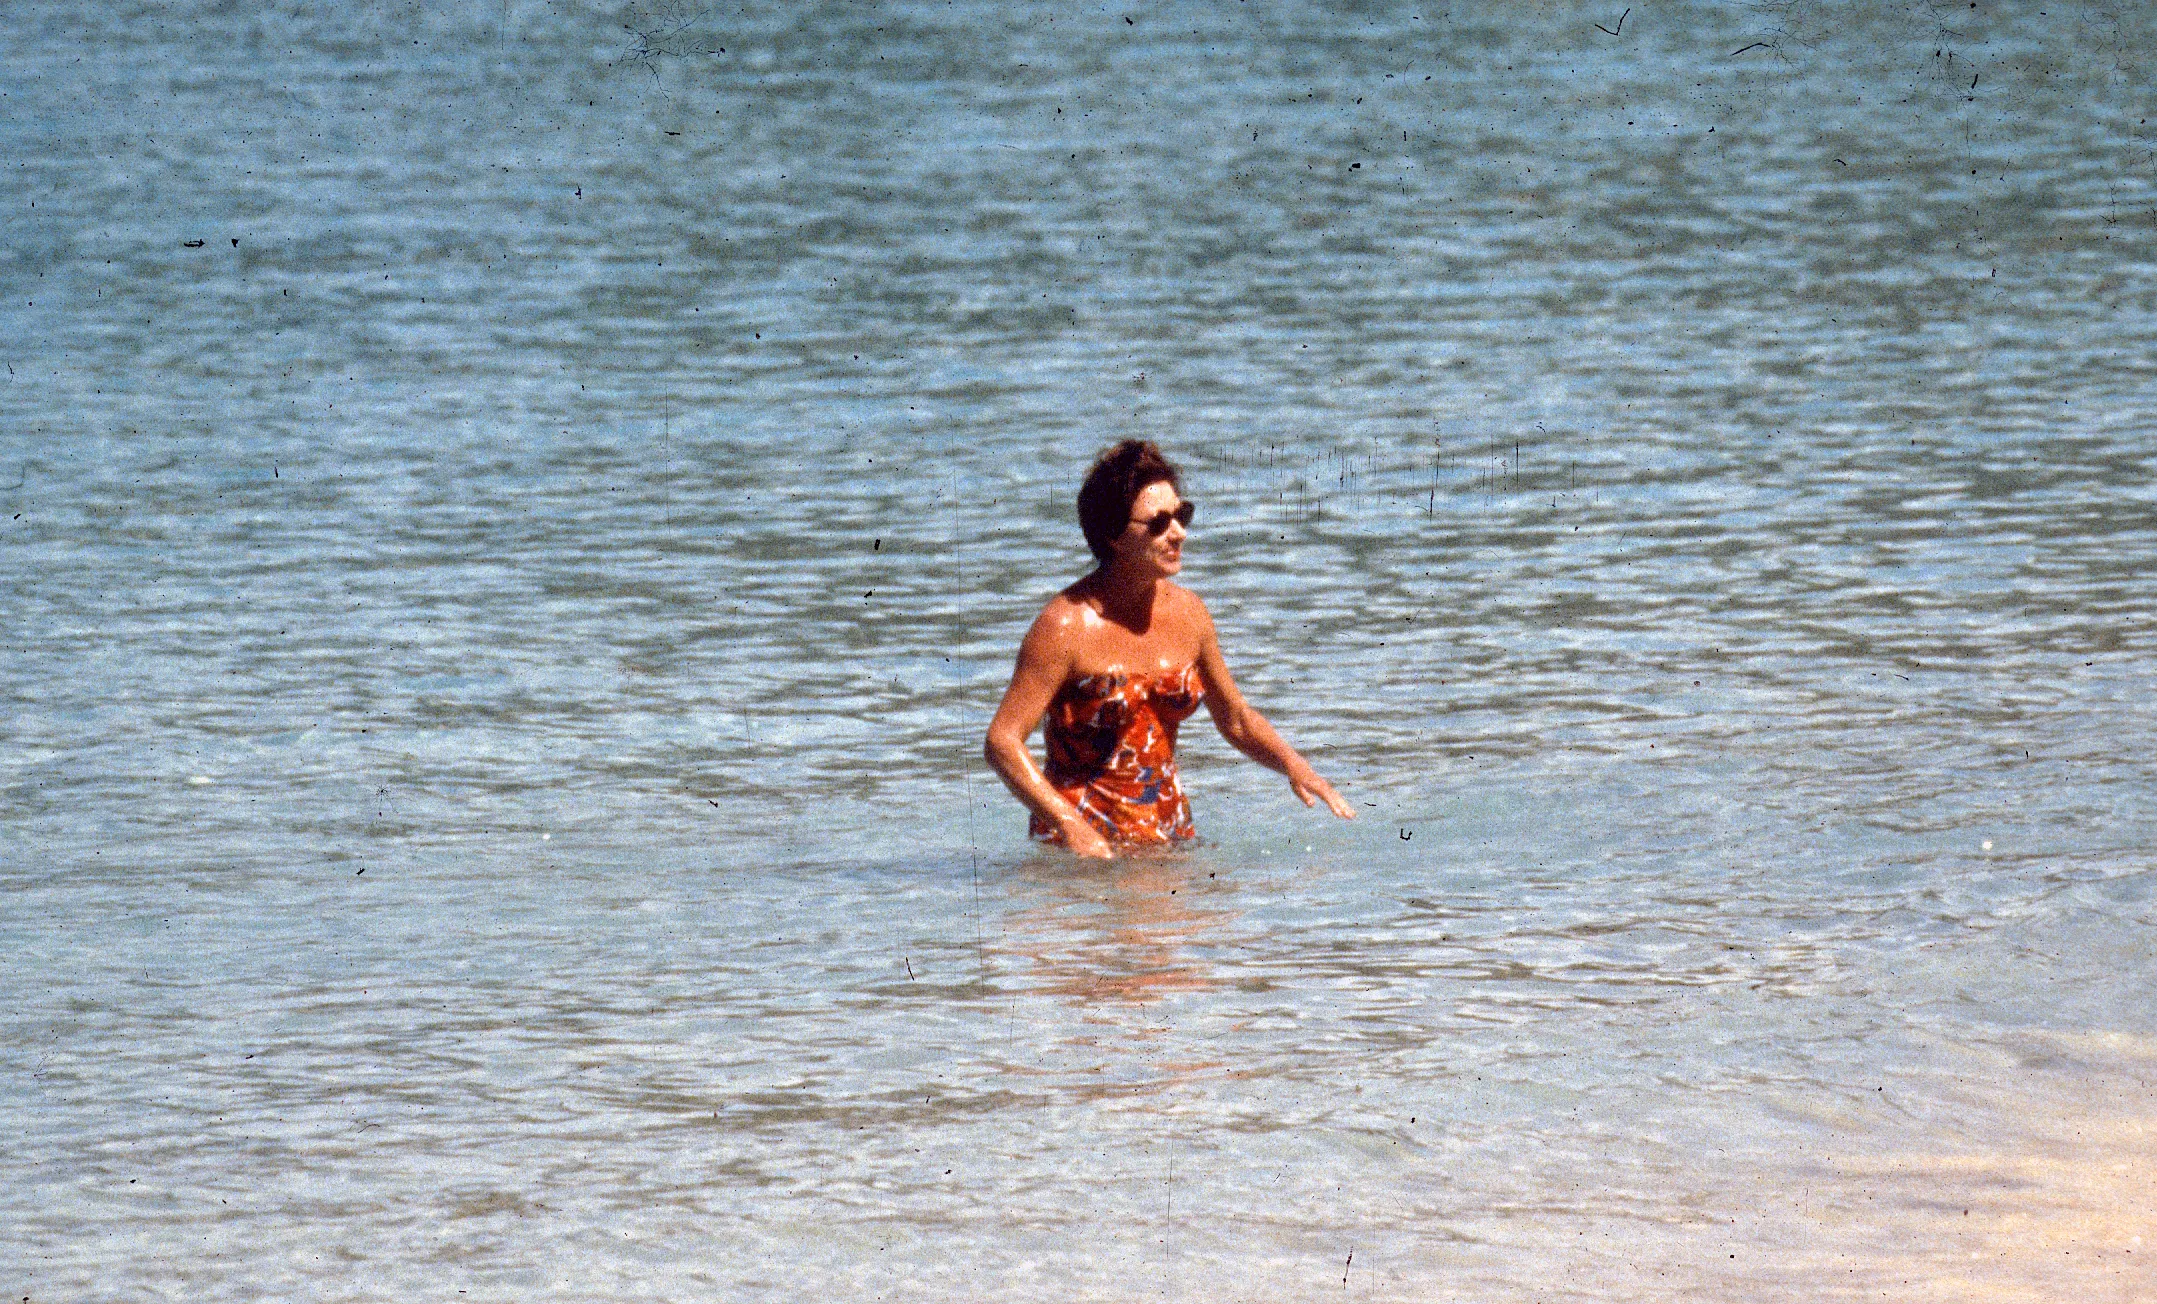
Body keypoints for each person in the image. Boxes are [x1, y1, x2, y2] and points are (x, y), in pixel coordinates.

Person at [985, 440, 1355, 858]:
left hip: (1168, 834)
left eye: (1182, 515)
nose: (1178, 531)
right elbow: (1003, 740)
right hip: (1084, 849)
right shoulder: (1065, 625)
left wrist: (1293, 764)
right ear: (1113, 535)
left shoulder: (1189, 613)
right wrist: (1069, 825)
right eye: (1158, 523)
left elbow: (1234, 717)